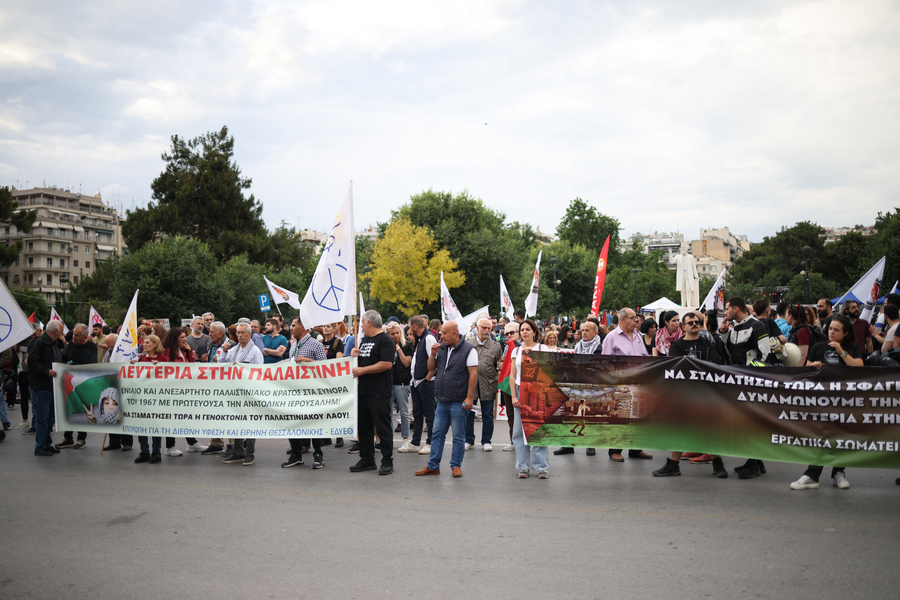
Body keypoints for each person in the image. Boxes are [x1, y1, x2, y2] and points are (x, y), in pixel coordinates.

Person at [790, 315, 862, 491]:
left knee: (840, 437)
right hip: (821, 399)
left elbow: (859, 367)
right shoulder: (818, 347)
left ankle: (838, 472)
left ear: (845, 333)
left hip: (844, 400)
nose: (831, 332)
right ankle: (811, 474)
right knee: (820, 435)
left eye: (836, 330)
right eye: (830, 328)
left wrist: (841, 352)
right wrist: (813, 365)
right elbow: (805, 369)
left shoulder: (851, 348)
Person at [652, 312, 728, 478]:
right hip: (684, 393)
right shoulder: (677, 345)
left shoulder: (709, 344)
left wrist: (689, 362)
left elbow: (714, 365)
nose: (694, 324)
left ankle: (718, 463)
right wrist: (693, 365)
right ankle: (673, 464)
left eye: (697, 322)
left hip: (706, 392)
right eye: (690, 322)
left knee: (709, 428)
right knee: (680, 429)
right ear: (683, 326)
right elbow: (675, 367)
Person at [415, 321, 477, 478]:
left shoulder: (469, 349)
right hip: (442, 400)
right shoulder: (441, 348)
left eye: (444, 333)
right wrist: (433, 354)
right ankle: (433, 465)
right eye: (441, 333)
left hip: (458, 400)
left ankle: (456, 466)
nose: (441, 336)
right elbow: (431, 368)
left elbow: (473, 374)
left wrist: (469, 398)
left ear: (454, 334)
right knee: (436, 434)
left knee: (458, 436)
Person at [720, 297, 771, 479]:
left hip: (753, 382)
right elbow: (729, 353)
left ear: (735, 309)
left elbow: (765, 355)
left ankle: (754, 463)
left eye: (727, 309)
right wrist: (723, 332)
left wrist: (752, 376)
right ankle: (756, 461)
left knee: (753, 423)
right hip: (737, 381)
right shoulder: (735, 327)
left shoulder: (757, 326)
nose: (725, 312)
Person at [600, 308, 653, 462]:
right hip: (621, 383)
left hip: (639, 381)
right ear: (622, 319)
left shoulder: (637, 335)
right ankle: (615, 450)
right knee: (621, 415)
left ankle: (636, 449)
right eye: (633, 318)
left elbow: (643, 356)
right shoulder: (612, 337)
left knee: (637, 414)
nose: (636, 321)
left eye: (636, 318)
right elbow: (606, 363)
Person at [349, 310, 395, 475]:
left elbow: (386, 364)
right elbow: (362, 361)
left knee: (382, 428)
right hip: (363, 391)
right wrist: (355, 356)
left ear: (369, 323)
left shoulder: (385, 340)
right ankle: (367, 459)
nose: (360, 325)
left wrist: (363, 370)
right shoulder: (364, 340)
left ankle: (387, 461)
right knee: (364, 428)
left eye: (362, 322)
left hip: (379, 391)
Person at [281, 317, 329, 469]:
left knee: (313, 422)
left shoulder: (316, 344)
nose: (291, 328)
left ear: (302, 327)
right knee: (293, 421)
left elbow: (326, 367)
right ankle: (296, 453)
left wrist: (308, 361)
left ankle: (318, 454)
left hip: (311, 391)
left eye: (293, 325)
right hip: (294, 391)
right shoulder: (294, 345)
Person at [554, 320, 605, 457]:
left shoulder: (600, 347)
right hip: (575, 384)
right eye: (582, 330)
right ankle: (568, 445)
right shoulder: (578, 346)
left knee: (589, 416)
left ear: (595, 333)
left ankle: (590, 445)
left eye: (587, 330)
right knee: (568, 414)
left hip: (591, 386)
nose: (584, 333)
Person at [509, 319, 550, 478]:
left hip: (538, 392)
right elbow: (512, 376)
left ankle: (541, 467)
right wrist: (513, 396)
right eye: (522, 329)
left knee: (538, 430)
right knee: (519, 431)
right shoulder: (516, 351)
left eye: (527, 329)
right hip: (520, 391)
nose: (524, 332)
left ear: (534, 331)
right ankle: (523, 467)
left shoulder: (543, 348)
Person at [219, 322, 264, 466]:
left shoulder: (255, 351)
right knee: (236, 421)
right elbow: (220, 364)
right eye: (238, 333)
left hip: (249, 392)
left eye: (243, 332)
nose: (239, 335)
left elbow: (259, 372)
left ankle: (250, 453)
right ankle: (238, 451)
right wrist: (224, 351)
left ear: (250, 334)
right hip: (234, 391)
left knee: (250, 423)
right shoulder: (233, 350)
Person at [159, 328, 207, 455]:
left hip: (183, 389)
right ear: (175, 339)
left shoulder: (183, 351)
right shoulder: (167, 351)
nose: (185, 339)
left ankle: (192, 443)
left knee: (185, 416)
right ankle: (170, 447)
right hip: (171, 390)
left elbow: (191, 366)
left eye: (185, 337)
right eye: (182, 337)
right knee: (171, 418)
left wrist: (190, 352)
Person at [56, 323, 97, 450]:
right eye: (73, 334)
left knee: (82, 411)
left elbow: (93, 365)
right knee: (69, 409)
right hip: (70, 382)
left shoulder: (91, 347)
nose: (74, 337)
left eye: (77, 335)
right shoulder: (70, 345)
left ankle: (81, 438)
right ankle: (68, 438)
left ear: (85, 337)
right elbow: (63, 359)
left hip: (84, 384)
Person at [401, 315, 437, 455]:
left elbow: (434, 361)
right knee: (417, 413)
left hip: (425, 382)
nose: (409, 331)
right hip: (417, 382)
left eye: (410, 327)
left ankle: (430, 442)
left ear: (414, 327)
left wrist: (427, 380)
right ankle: (415, 442)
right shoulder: (419, 340)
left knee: (429, 414)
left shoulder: (428, 338)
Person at [29, 320, 64, 456]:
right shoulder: (39, 343)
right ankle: (40, 446)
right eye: (61, 329)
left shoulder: (54, 343)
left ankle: (46, 443)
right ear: (55, 331)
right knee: (42, 417)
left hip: (52, 385)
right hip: (42, 385)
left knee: (50, 417)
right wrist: (47, 371)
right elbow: (32, 362)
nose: (62, 332)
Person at [466, 317, 502, 452]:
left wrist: (499, 368)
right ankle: (468, 440)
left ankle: (486, 440)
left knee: (487, 414)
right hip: (470, 385)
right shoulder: (468, 344)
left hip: (488, 384)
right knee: (468, 413)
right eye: (484, 328)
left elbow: (500, 363)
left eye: (489, 328)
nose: (486, 330)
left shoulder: (495, 347)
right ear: (477, 328)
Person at [133, 335, 165, 464]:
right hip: (143, 398)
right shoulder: (142, 360)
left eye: (147, 343)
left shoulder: (163, 359)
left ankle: (156, 452)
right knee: (142, 425)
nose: (144, 345)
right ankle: (144, 451)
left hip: (158, 399)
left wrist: (160, 367)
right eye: (144, 343)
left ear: (155, 344)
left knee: (155, 425)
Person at [385, 321, 412, 446]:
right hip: (388, 382)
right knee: (388, 412)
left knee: (404, 412)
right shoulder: (385, 345)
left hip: (402, 383)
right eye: (392, 334)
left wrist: (399, 349)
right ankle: (389, 439)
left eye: (397, 333)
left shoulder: (407, 345)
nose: (395, 336)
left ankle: (406, 438)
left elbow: (407, 363)